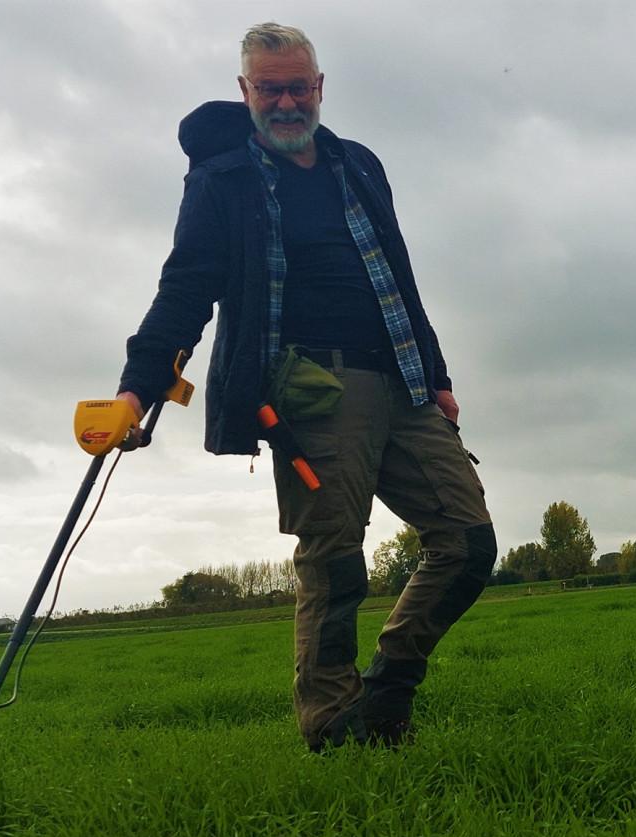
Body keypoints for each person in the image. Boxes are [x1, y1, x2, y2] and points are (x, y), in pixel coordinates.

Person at [115, 23, 495, 750]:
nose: (286, 102)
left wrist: (438, 376)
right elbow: (187, 287)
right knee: (334, 559)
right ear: (245, 91)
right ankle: (333, 727)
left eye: (298, 86)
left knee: (468, 541)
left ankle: (388, 686)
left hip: (404, 379)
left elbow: (399, 278)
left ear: (320, 88)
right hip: (312, 386)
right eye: (270, 88)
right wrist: (137, 390)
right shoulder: (224, 178)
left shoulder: (359, 165)